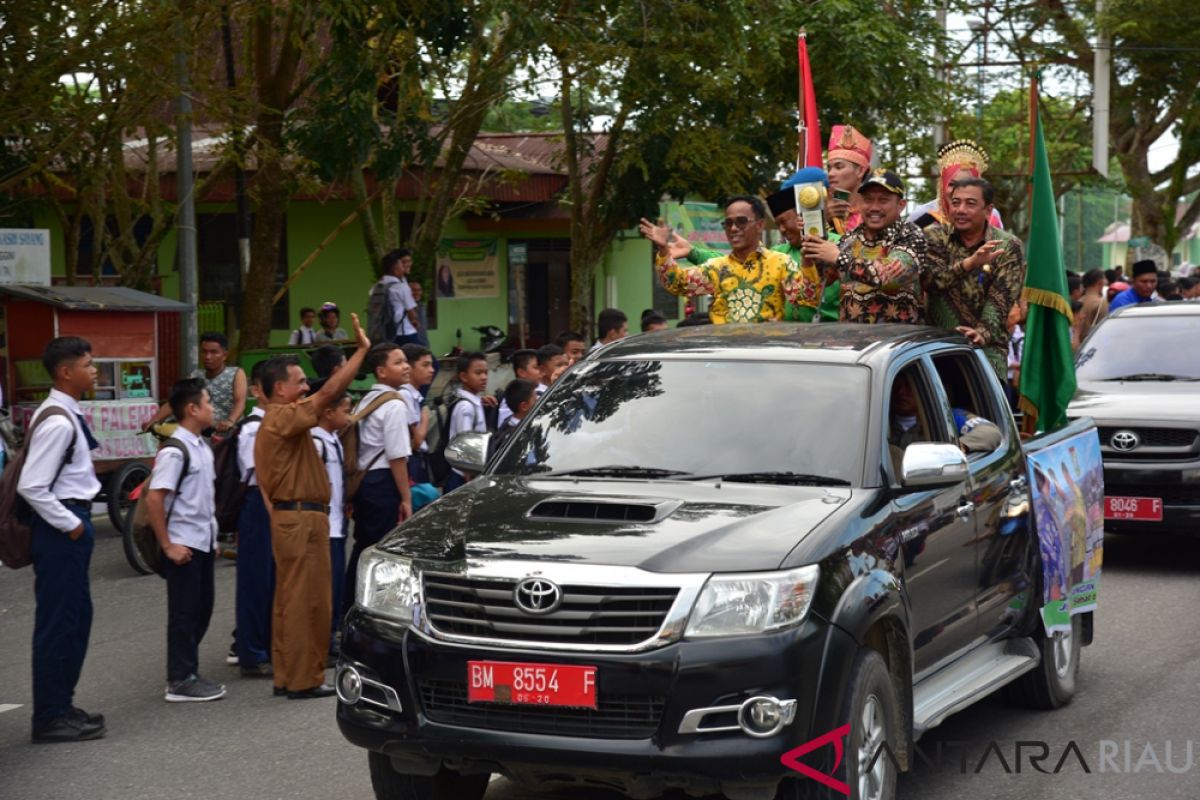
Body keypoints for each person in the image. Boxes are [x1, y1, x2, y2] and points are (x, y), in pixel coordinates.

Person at [254, 312, 370, 700]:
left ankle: (289, 675)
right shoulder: (281, 417)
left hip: (296, 518)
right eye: (299, 381)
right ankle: (303, 680)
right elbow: (328, 393)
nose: (306, 387)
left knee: (291, 601)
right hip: (302, 519)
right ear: (281, 389)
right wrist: (360, 353)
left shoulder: (279, 419)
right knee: (308, 603)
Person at [17, 337, 106, 742]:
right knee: (59, 623)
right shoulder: (57, 421)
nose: (94, 370)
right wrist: (72, 524)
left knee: (74, 621)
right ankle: (50, 717)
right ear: (66, 372)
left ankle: (61, 705)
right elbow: (32, 486)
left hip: (67, 527)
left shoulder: (65, 413)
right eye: (88, 364)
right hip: (60, 531)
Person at [147, 378, 225, 703]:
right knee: (184, 613)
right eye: (208, 402)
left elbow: (203, 499)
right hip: (183, 545)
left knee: (201, 609)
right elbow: (155, 499)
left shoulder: (201, 447)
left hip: (202, 541)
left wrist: (214, 537)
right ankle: (180, 679)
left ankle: (188, 671)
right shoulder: (176, 452)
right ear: (192, 409)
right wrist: (168, 546)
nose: (213, 408)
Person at [923, 177, 1026, 382]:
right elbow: (931, 282)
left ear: (988, 210)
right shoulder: (933, 237)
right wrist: (969, 264)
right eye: (955, 202)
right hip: (937, 346)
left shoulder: (1007, 245)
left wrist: (981, 333)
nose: (960, 209)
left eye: (970, 203)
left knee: (984, 410)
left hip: (987, 349)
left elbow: (1001, 297)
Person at [644, 196, 810, 324]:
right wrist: (663, 249)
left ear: (760, 225)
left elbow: (805, 298)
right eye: (728, 223)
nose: (733, 228)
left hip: (766, 355)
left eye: (741, 222)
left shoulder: (780, 262)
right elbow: (677, 283)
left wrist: (808, 263)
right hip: (726, 355)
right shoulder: (717, 268)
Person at [804, 170, 928, 324]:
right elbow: (818, 285)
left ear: (901, 205)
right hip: (852, 342)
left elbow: (889, 277)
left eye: (883, 200)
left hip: (898, 343)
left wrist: (839, 257)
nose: (874, 207)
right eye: (868, 200)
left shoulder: (911, 235)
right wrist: (811, 253)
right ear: (860, 202)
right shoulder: (849, 239)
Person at [345, 344, 413, 619]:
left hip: (365, 483)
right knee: (378, 551)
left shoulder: (367, 399)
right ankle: (361, 609)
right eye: (398, 362)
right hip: (382, 482)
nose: (406, 366)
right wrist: (406, 498)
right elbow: (397, 456)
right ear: (381, 372)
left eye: (406, 361)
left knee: (364, 546)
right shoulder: (395, 404)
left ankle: (349, 605)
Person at [234, 362, 273, 678]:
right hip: (259, 504)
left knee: (274, 579)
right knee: (255, 581)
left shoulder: (275, 423)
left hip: (273, 504)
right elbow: (258, 475)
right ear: (258, 390)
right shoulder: (252, 428)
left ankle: (268, 644)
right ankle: (250, 650)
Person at [310, 392, 351, 658]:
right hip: (325, 526)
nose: (349, 415)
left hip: (338, 523)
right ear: (328, 413)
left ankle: (331, 638)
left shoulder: (333, 439)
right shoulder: (316, 442)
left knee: (336, 587)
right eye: (345, 410)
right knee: (324, 590)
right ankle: (322, 644)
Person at [144, 333, 247, 435]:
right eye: (204, 352)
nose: (208, 357)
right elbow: (177, 400)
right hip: (203, 433)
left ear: (224, 355)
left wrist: (230, 421)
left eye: (214, 352)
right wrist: (154, 420)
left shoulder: (236, 373)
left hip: (230, 434)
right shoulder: (195, 375)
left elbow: (240, 402)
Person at [909, 140, 1004, 230]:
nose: (959, 191)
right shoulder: (923, 217)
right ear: (942, 183)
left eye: (967, 184)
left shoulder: (991, 216)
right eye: (952, 184)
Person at [444, 352, 489, 492]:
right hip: (463, 476)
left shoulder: (472, 402)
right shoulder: (466, 407)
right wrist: (468, 477)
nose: (484, 377)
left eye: (486, 373)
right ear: (463, 377)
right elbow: (464, 447)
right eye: (478, 373)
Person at [378, 248, 422, 345]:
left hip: (384, 333)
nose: (406, 265)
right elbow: (411, 312)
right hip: (405, 332)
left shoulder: (378, 285)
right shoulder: (401, 287)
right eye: (403, 263)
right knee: (426, 358)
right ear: (395, 267)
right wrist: (415, 321)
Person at [489, 378, 537, 459]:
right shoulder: (514, 438)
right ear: (524, 406)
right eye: (535, 401)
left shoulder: (511, 423)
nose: (538, 404)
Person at [497, 349, 539, 428]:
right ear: (521, 372)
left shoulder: (539, 390)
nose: (540, 372)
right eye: (536, 368)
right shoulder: (510, 398)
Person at [1074, 269, 1108, 346]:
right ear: (1100, 282)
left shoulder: (1078, 300)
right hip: (1090, 346)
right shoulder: (1101, 303)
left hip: (1075, 345)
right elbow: (1103, 331)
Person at [409, 281, 432, 346]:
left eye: (419, 290)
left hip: (423, 344)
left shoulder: (422, 306)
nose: (417, 293)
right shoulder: (404, 309)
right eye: (413, 290)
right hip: (410, 345)